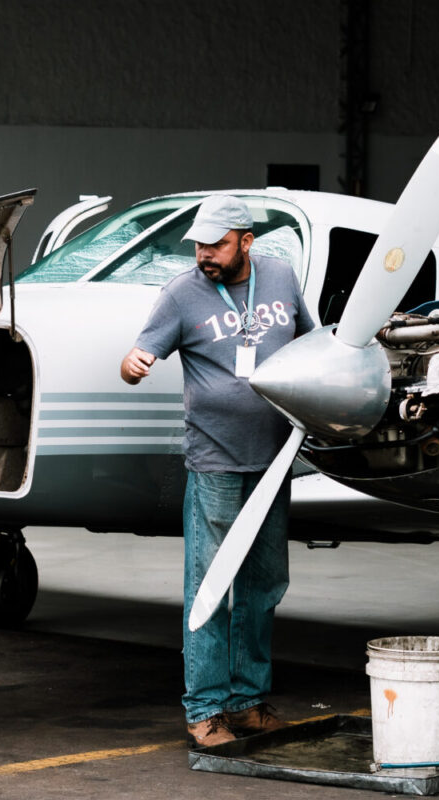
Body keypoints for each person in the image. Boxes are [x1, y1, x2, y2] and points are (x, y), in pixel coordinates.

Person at [119, 195, 316, 749]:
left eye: (217, 245)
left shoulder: (281, 277)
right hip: (216, 463)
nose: (205, 254)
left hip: (274, 461)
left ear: (246, 242)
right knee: (211, 586)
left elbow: (310, 344)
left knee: (262, 586)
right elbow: (134, 360)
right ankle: (205, 710)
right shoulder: (180, 294)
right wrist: (133, 366)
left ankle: (247, 703)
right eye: (199, 245)